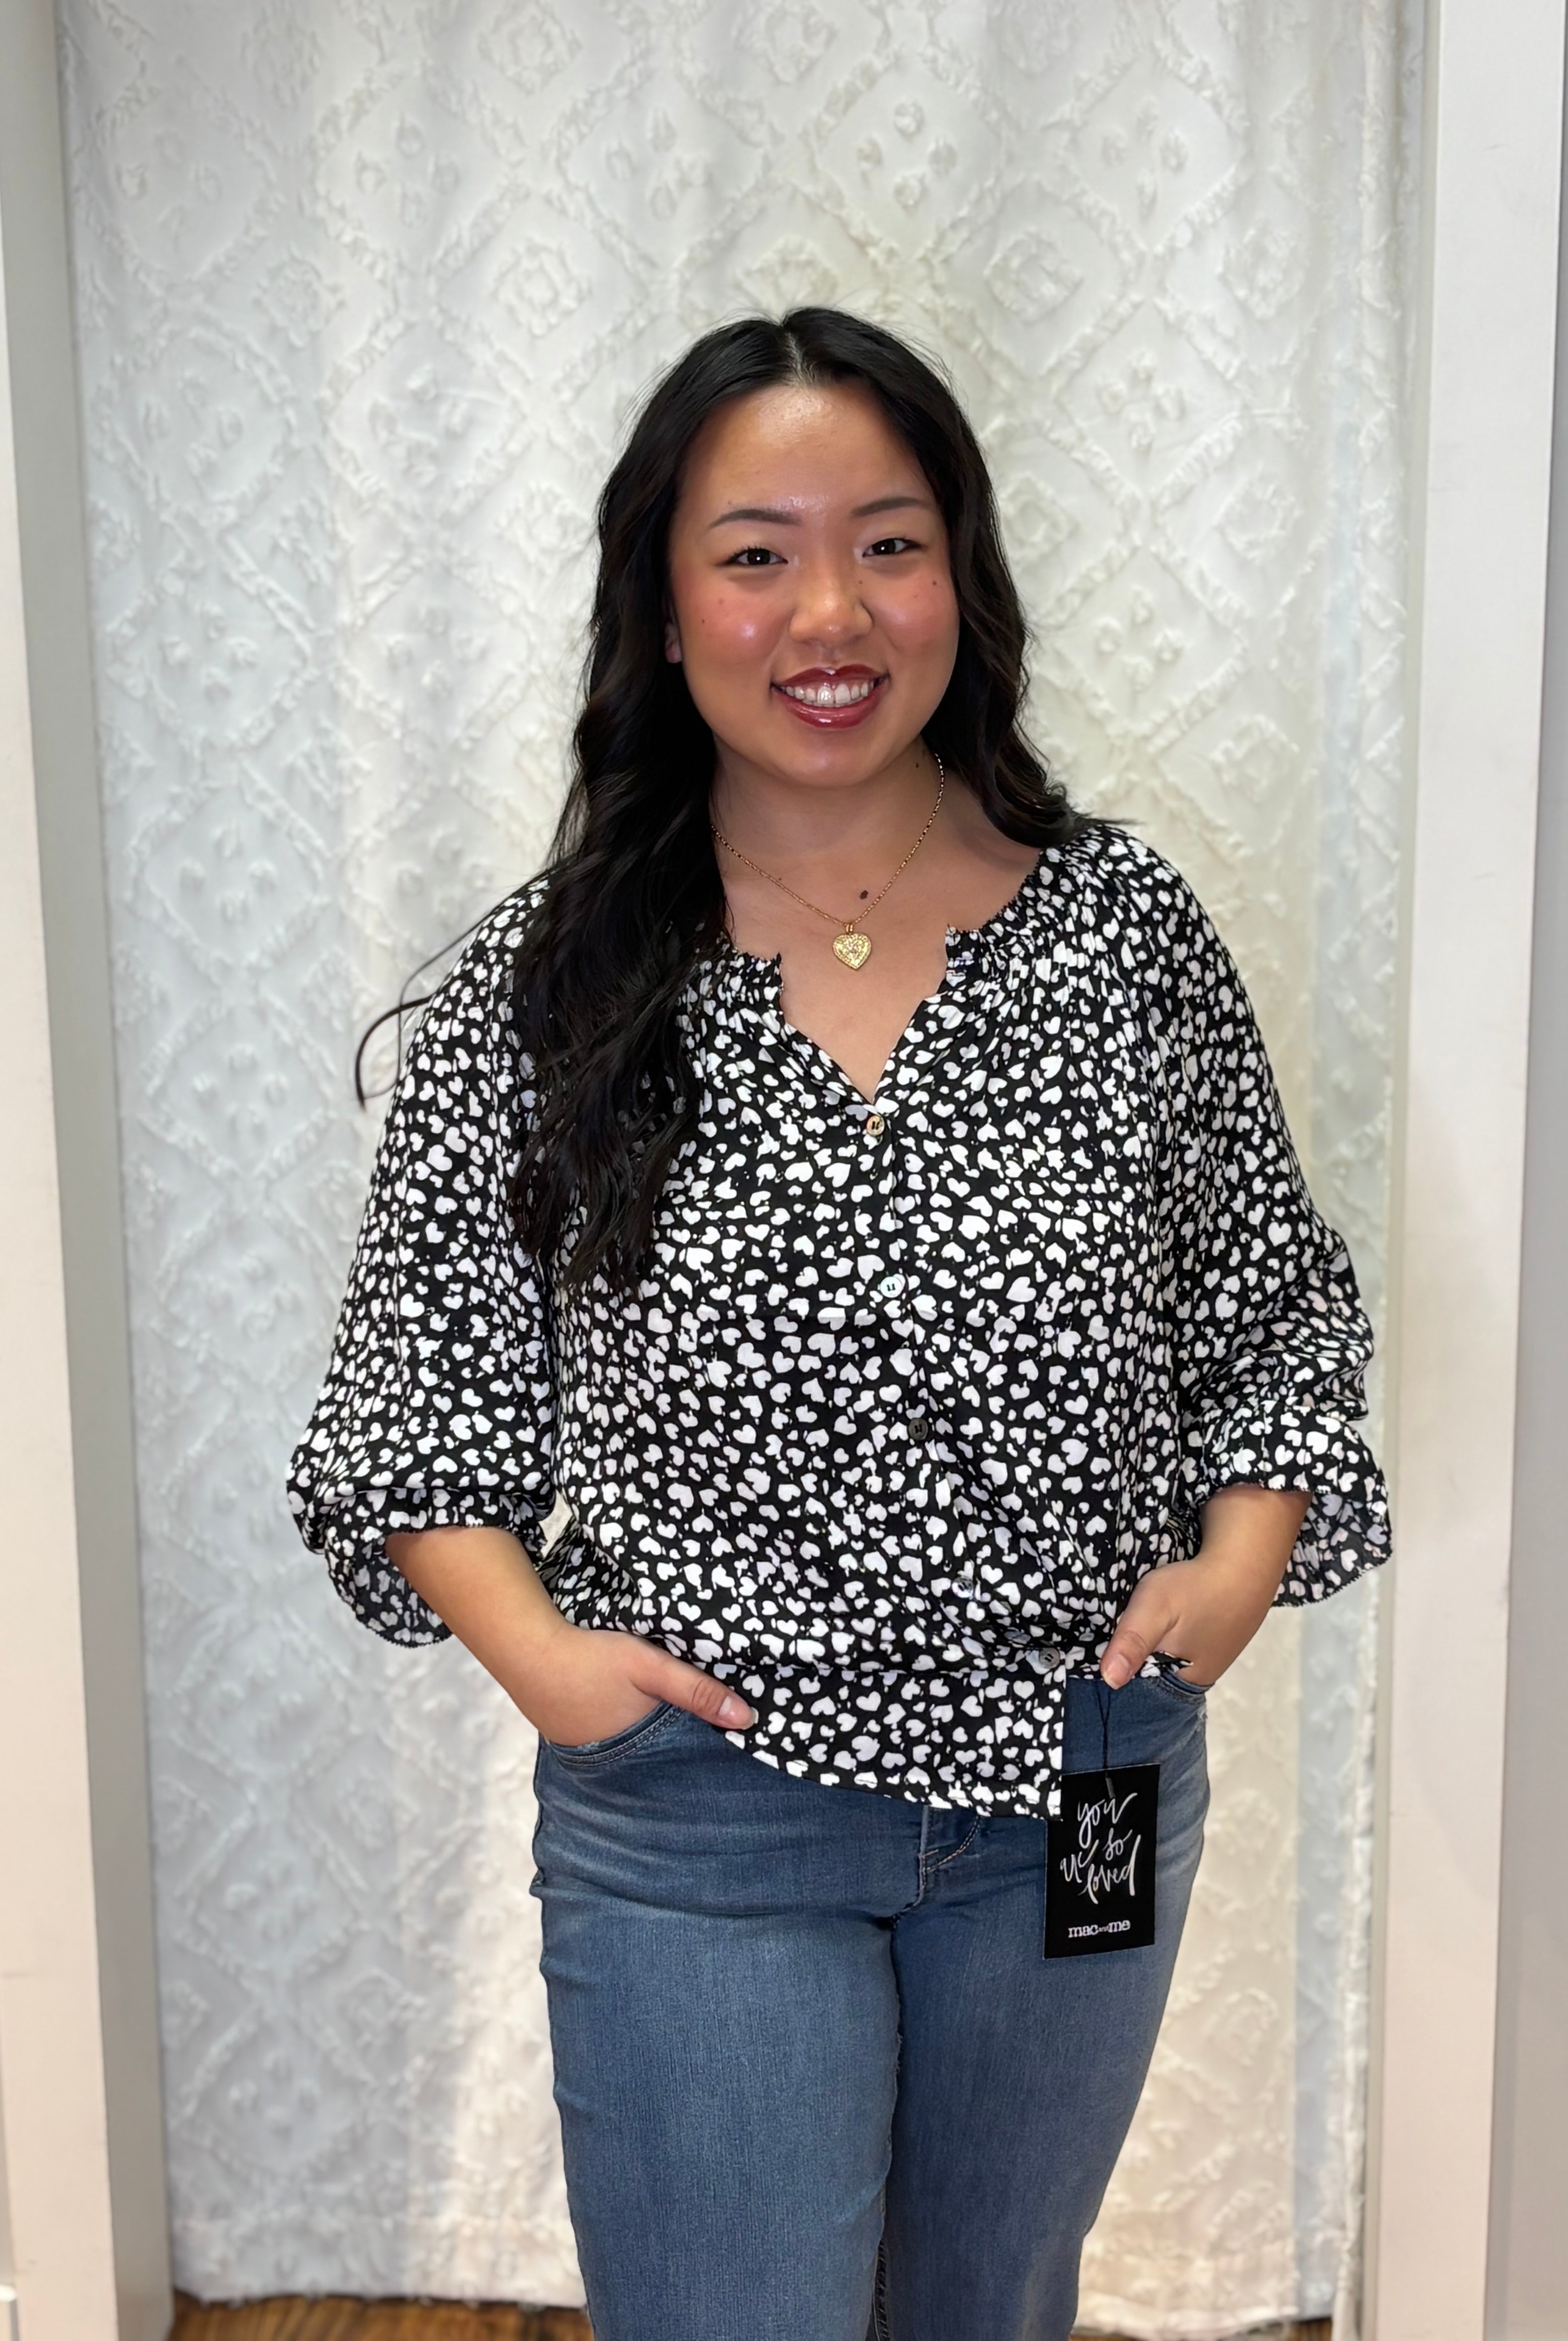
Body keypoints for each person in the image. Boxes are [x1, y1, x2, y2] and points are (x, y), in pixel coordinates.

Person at [289, 308, 1389, 2341]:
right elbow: (409, 1406)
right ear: (664, 603)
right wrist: (556, 1670)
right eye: (756, 552)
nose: (832, 612)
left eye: (891, 543)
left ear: (964, 574)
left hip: (1081, 1785)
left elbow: (1274, 1311)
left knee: (994, 2307)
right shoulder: (559, 980)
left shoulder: (1122, 938)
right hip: (706, 1820)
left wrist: (1236, 1569)